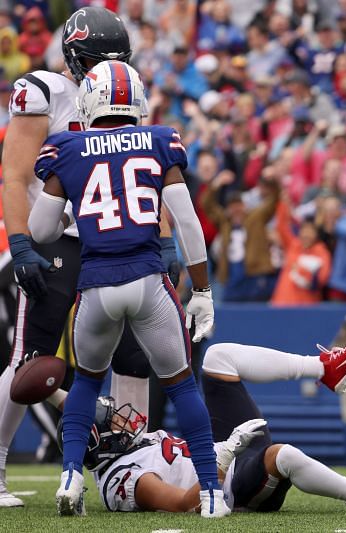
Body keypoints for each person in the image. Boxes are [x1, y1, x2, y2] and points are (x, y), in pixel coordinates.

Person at [29, 61, 225, 518]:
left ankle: (71, 477)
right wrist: (202, 290)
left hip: (96, 285)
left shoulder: (67, 147)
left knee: (86, 385)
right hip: (147, 281)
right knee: (181, 385)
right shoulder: (159, 140)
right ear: (135, 101)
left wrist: (70, 213)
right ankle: (212, 493)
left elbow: (39, 230)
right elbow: (187, 223)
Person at [0, 7, 171, 508]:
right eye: (99, 61)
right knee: (30, 357)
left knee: (136, 355)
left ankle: (131, 466)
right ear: (76, 57)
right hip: (57, 236)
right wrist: (21, 242)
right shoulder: (44, 91)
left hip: (117, 235)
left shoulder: (126, 94)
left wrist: (163, 239)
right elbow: (13, 176)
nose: (106, 72)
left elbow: (139, 171)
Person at [44, 328, 346, 515]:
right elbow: (182, 504)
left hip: (224, 452)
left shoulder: (113, 452)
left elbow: (79, 418)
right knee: (285, 455)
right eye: (113, 423)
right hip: (229, 484)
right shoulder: (129, 480)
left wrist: (45, 387)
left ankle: (325, 368)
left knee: (218, 358)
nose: (122, 420)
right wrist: (226, 454)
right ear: (103, 444)